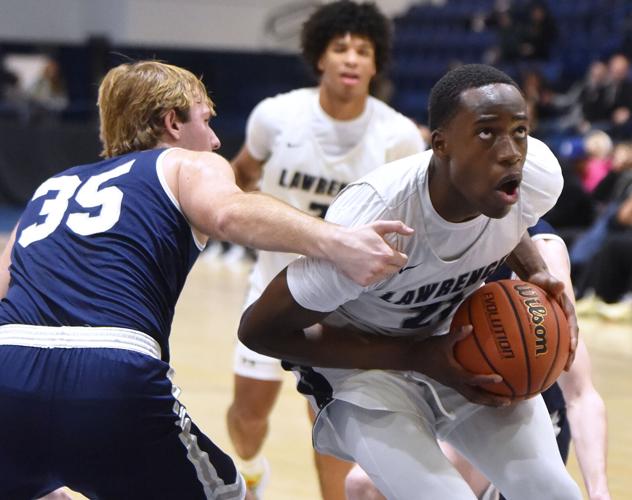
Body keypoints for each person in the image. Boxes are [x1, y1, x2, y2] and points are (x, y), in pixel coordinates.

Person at [0, 60, 413, 499]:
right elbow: (229, 212)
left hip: (8, 369)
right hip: (110, 370)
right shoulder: (184, 163)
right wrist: (339, 242)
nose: (216, 140)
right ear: (171, 122)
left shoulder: (51, 187)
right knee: (225, 491)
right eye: (206, 120)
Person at [238, 64, 582, 499]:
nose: (511, 150)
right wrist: (416, 355)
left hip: (456, 346)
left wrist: (534, 270)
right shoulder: (378, 221)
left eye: (519, 131)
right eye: (486, 133)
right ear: (440, 144)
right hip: (363, 374)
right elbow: (257, 330)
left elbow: (513, 219)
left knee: (554, 493)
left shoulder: (536, 177)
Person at [225, 1, 425, 498]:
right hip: (271, 287)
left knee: (335, 439)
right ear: (320, 57)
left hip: (345, 306)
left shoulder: (397, 134)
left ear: (376, 64)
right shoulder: (275, 116)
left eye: (363, 50)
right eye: (340, 48)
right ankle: (249, 472)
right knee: (247, 420)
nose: (352, 59)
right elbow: (239, 175)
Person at [344, 219, 611, 500]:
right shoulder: (420, 221)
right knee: (363, 484)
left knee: (367, 485)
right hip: (437, 391)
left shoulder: (541, 252)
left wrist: (599, 491)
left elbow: (580, 393)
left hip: (512, 411)